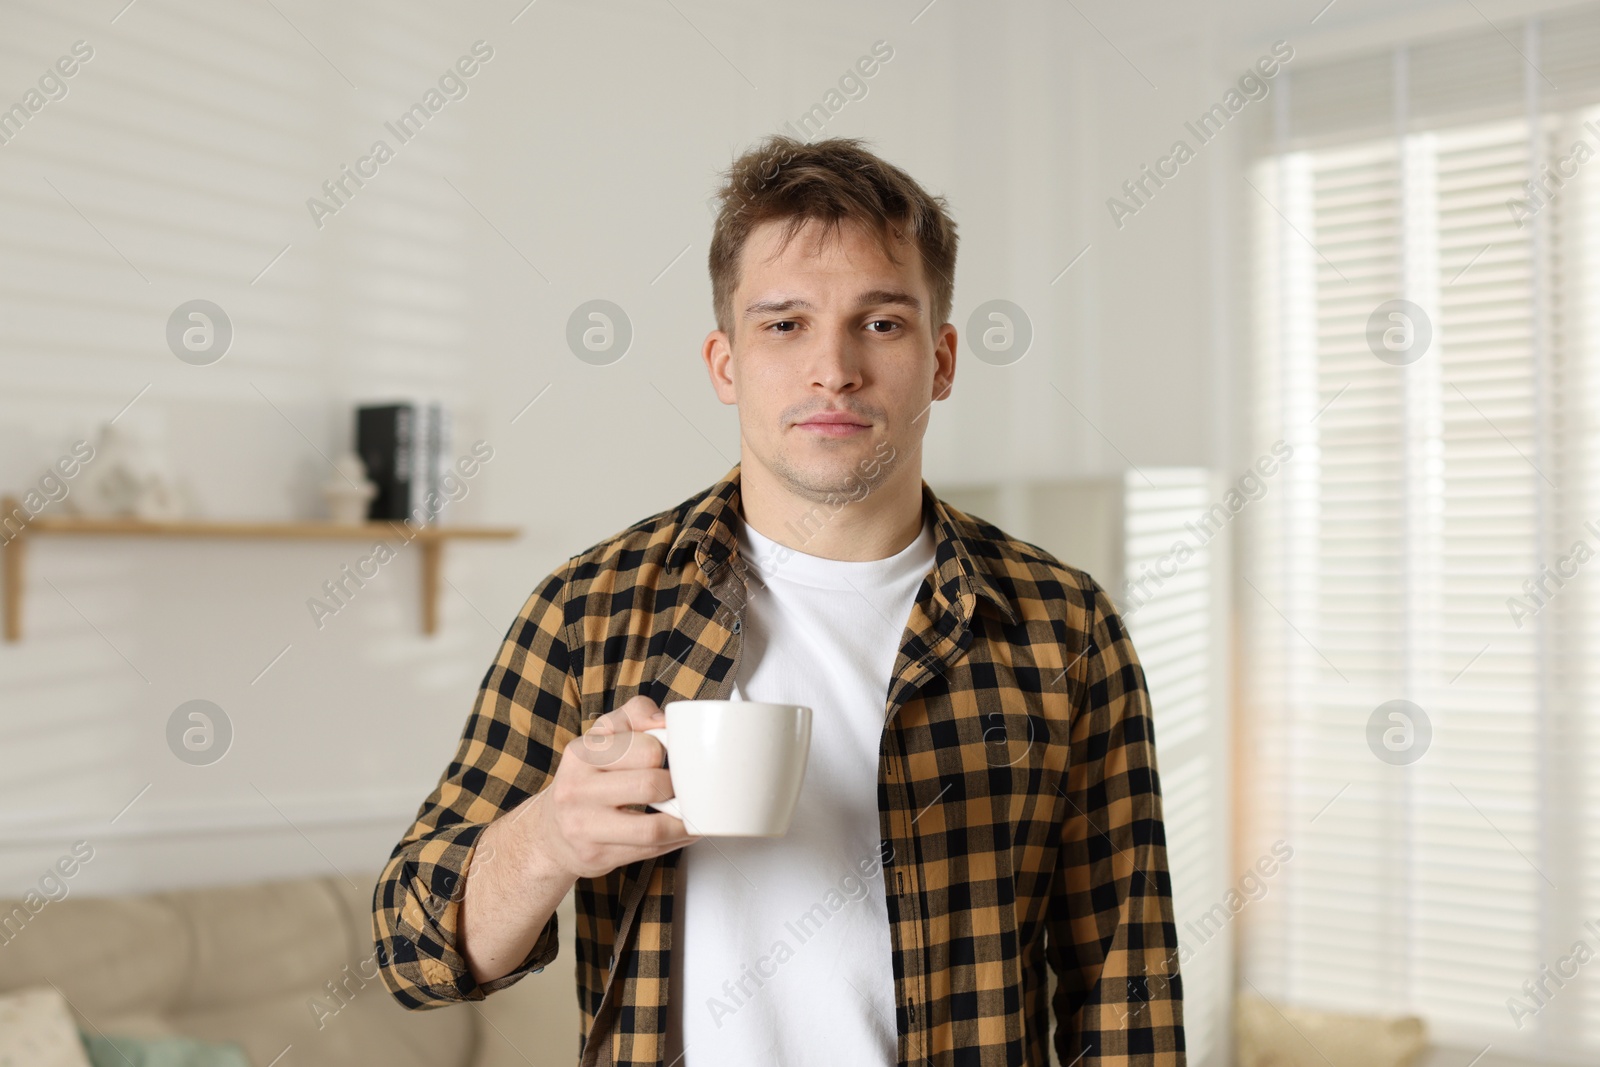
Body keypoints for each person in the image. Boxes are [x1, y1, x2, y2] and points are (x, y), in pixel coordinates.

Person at [372, 134, 1184, 1066]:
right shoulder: (588, 610)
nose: (831, 368)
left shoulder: (1064, 626)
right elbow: (410, 950)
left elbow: (1127, 994)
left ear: (943, 358)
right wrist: (550, 837)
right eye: (784, 324)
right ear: (725, 363)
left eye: (880, 322)